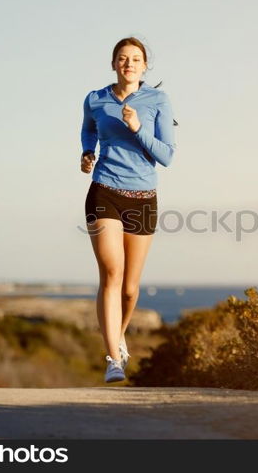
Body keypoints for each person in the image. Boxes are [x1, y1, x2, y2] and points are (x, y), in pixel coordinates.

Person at [80, 37, 177, 383]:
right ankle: (112, 361)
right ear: (113, 64)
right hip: (104, 191)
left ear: (145, 66)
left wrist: (136, 129)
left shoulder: (157, 101)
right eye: (122, 58)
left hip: (143, 197)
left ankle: (117, 334)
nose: (129, 63)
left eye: (135, 59)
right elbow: (88, 131)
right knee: (111, 273)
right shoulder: (96, 99)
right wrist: (87, 153)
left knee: (130, 289)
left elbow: (166, 155)